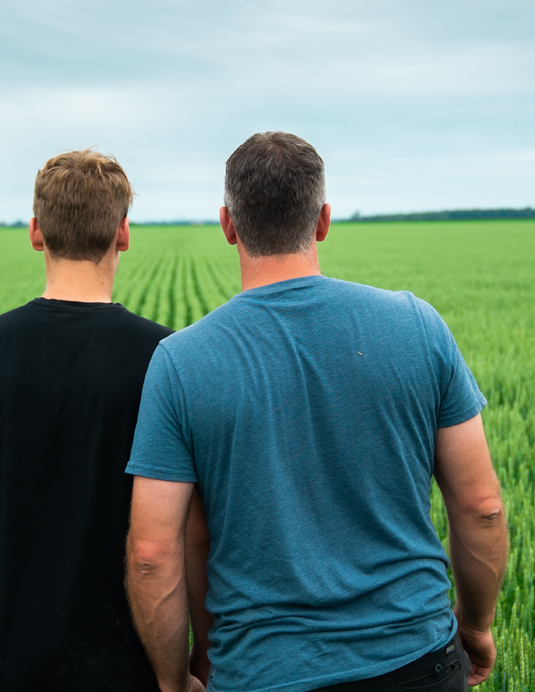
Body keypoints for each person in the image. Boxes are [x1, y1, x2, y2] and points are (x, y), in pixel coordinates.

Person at [124, 132, 509, 692]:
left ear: (228, 224)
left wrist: (172, 680)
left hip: (262, 673)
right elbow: (481, 508)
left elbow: (153, 554)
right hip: (418, 660)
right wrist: (475, 626)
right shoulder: (418, 325)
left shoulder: (181, 362)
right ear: (323, 219)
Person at [0, 149, 184, 692]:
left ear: (36, 232)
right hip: (124, 674)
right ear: (123, 233)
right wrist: (181, 673)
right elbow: (184, 535)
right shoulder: (164, 357)